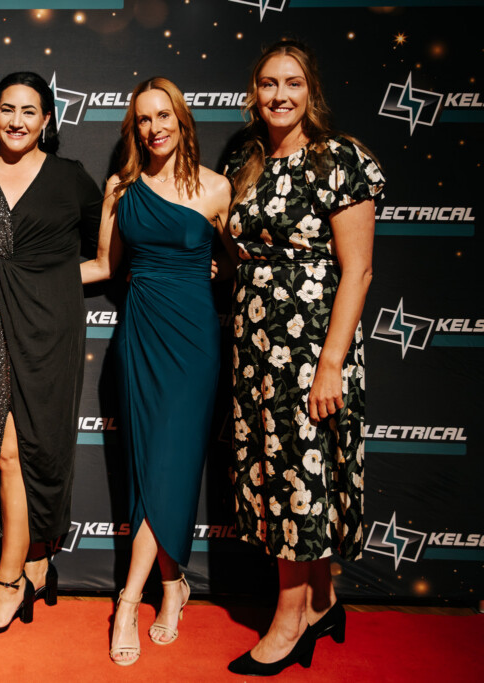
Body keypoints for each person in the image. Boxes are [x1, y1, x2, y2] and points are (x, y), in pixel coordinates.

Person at [222, 39, 384, 676]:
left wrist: (330, 363)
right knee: (276, 473)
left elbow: (358, 270)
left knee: (300, 478)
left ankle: (288, 620)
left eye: (292, 83)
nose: (279, 95)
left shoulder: (340, 159)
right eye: (268, 83)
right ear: (254, 93)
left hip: (312, 344)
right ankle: (322, 602)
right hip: (255, 345)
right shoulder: (246, 158)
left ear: (309, 90)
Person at [81, 77, 230, 665]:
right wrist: (26, 276)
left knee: (173, 466)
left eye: (164, 115)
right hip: (139, 338)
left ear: (182, 120)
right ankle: (172, 587)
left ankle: (127, 599)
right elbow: (103, 265)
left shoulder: (217, 189)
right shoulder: (121, 188)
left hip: (194, 343)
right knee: (148, 469)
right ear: (134, 128)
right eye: (143, 119)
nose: (154, 127)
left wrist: (215, 267)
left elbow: (243, 263)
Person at [0, 72, 101, 636]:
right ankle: (28, 569)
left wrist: (50, 283)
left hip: (50, 329)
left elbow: (107, 253)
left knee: (37, 448)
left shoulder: (71, 178)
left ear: (47, 120)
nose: (17, 121)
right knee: (1, 452)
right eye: (7, 109)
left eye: (29, 111)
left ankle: (16, 575)